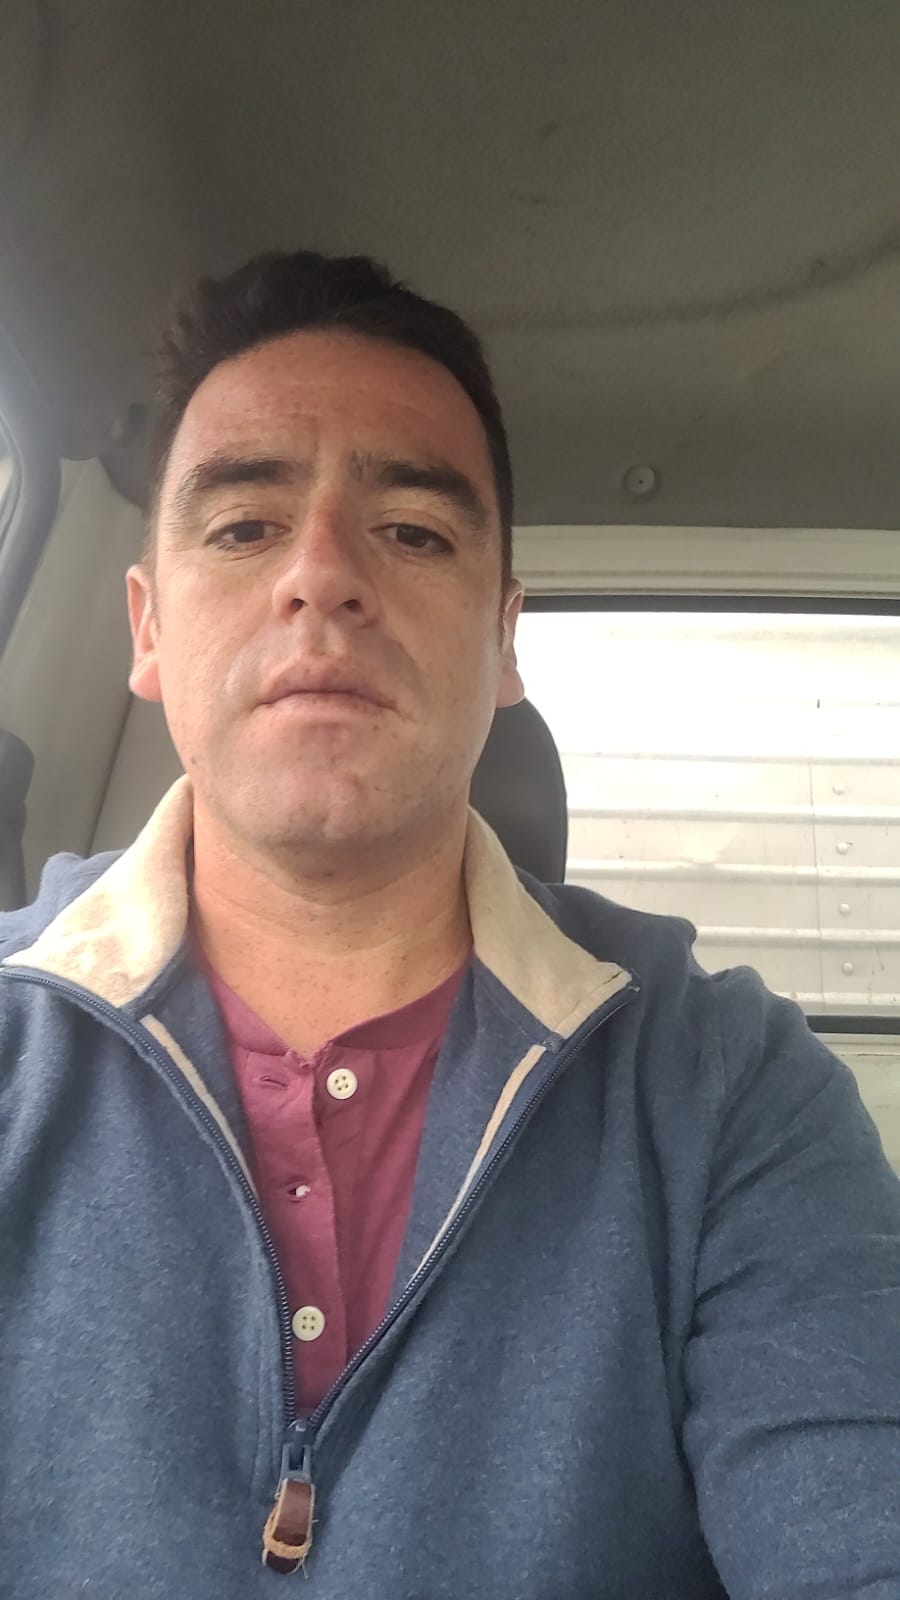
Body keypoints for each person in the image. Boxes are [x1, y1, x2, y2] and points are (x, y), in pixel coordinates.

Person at [0, 250, 898, 1600]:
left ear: (505, 638)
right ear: (148, 628)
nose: (321, 574)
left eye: (415, 532)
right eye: (243, 527)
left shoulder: (728, 1089)